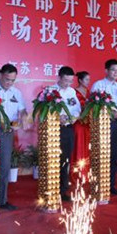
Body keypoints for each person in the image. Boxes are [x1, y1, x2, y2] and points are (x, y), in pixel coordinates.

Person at [0, 64, 27, 210]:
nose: (9, 83)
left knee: (4, 167)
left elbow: (22, 110)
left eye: (12, 80)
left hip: (7, 132)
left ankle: (1, 200)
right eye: (7, 79)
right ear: (0, 76)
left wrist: (24, 117)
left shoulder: (16, 92)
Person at [90, 59, 117, 195]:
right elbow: (93, 105)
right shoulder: (98, 85)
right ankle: (98, 185)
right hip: (104, 124)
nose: (116, 73)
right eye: (113, 70)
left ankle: (110, 185)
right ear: (106, 70)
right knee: (102, 154)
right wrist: (110, 112)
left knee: (114, 154)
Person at [48, 66, 81, 202]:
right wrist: (56, 117)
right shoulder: (50, 91)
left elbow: (77, 108)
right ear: (59, 77)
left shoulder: (72, 91)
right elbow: (45, 110)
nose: (68, 84)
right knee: (53, 160)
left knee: (65, 160)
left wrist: (74, 117)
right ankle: (51, 190)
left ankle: (62, 191)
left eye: (70, 81)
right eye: (65, 80)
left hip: (68, 128)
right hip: (54, 130)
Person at [71, 71, 91, 185]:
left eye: (89, 80)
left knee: (87, 148)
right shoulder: (73, 92)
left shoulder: (89, 92)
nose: (88, 82)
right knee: (78, 147)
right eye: (86, 79)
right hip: (78, 123)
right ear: (80, 80)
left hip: (87, 124)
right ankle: (77, 173)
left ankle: (86, 173)